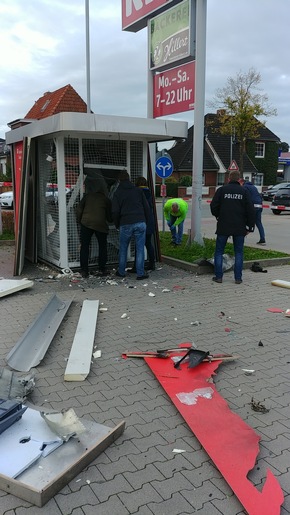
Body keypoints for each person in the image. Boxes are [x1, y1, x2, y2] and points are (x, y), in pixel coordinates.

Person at [210, 170, 255, 284]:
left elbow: (213, 206)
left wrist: (218, 215)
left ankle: (219, 277)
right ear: (239, 180)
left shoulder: (222, 190)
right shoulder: (244, 192)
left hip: (223, 225)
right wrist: (249, 227)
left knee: (219, 251)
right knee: (239, 252)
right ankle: (238, 278)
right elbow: (250, 210)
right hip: (239, 226)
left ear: (228, 179)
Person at [112, 171, 150, 280]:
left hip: (125, 223)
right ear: (129, 179)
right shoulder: (138, 190)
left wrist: (117, 224)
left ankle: (121, 272)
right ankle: (140, 273)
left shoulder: (118, 193)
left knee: (123, 248)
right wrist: (145, 221)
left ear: (119, 180)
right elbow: (146, 207)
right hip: (140, 222)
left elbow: (115, 211)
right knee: (140, 248)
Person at [76, 178, 112, 278]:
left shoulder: (87, 197)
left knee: (85, 247)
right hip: (100, 225)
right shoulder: (106, 200)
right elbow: (109, 218)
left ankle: (84, 270)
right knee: (102, 247)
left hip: (86, 223)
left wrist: (79, 221)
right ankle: (102, 268)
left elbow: (79, 209)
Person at [128, 176, 156, 273]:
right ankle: (152, 263)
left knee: (138, 246)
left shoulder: (137, 194)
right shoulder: (149, 193)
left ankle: (137, 266)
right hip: (149, 222)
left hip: (140, 221)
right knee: (148, 243)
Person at [239, 178, 266, 245]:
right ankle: (262, 239)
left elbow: (246, 197)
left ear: (242, 182)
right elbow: (258, 196)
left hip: (252, 206)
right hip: (259, 205)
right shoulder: (253, 187)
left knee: (245, 221)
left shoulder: (245, 187)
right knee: (259, 223)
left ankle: (241, 239)